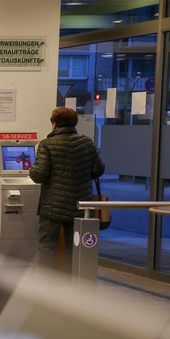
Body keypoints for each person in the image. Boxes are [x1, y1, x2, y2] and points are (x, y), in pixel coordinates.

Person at [29, 107, 104, 270]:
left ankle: (44, 282)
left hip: (53, 205)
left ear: (54, 124)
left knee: (47, 246)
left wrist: (30, 169)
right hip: (80, 205)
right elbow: (98, 170)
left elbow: (39, 175)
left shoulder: (47, 144)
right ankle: (73, 281)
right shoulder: (87, 143)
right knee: (75, 246)